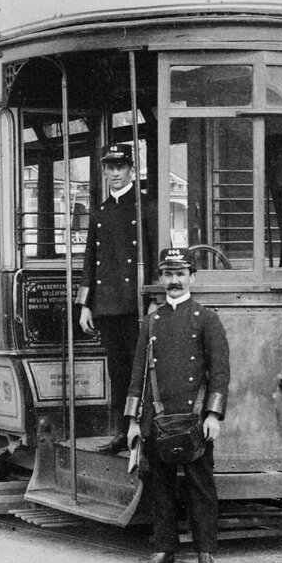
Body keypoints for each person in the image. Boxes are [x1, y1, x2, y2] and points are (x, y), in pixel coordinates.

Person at [125, 247, 231, 563]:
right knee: (160, 487)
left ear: (192, 278)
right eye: (168, 274)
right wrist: (132, 422)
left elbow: (220, 371)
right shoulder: (152, 322)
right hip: (157, 417)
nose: (174, 281)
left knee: (201, 486)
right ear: (161, 278)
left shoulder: (207, 318)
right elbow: (138, 373)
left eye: (180, 274)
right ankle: (163, 550)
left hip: (195, 419)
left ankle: (205, 553)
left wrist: (213, 415)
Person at [76, 143, 159, 450]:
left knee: (142, 370)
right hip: (108, 306)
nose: (114, 174)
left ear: (131, 170)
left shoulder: (146, 206)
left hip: (137, 304)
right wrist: (85, 304)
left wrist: (154, 298)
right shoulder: (100, 211)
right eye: (109, 168)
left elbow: (155, 254)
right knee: (118, 371)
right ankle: (122, 431)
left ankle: (144, 430)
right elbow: (90, 258)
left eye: (120, 168)